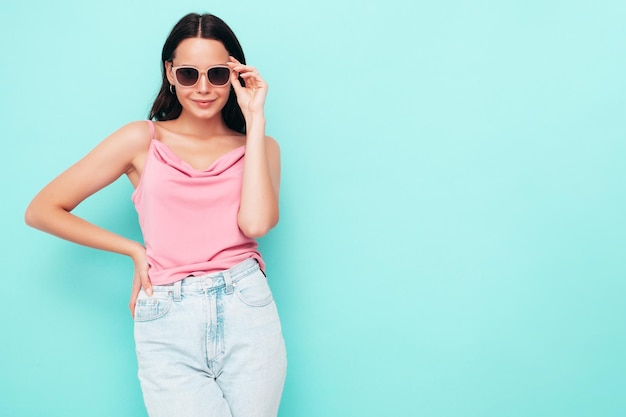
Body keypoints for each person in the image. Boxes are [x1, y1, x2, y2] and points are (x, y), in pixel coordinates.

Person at [24, 12, 286, 417]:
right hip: (168, 314)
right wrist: (133, 250)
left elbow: (255, 225)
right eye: (188, 74)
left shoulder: (262, 146)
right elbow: (42, 210)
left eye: (217, 74)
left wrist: (255, 120)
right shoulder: (140, 139)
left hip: (247, 307)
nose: (203, 88)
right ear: (169, 73)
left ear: (236, 75)